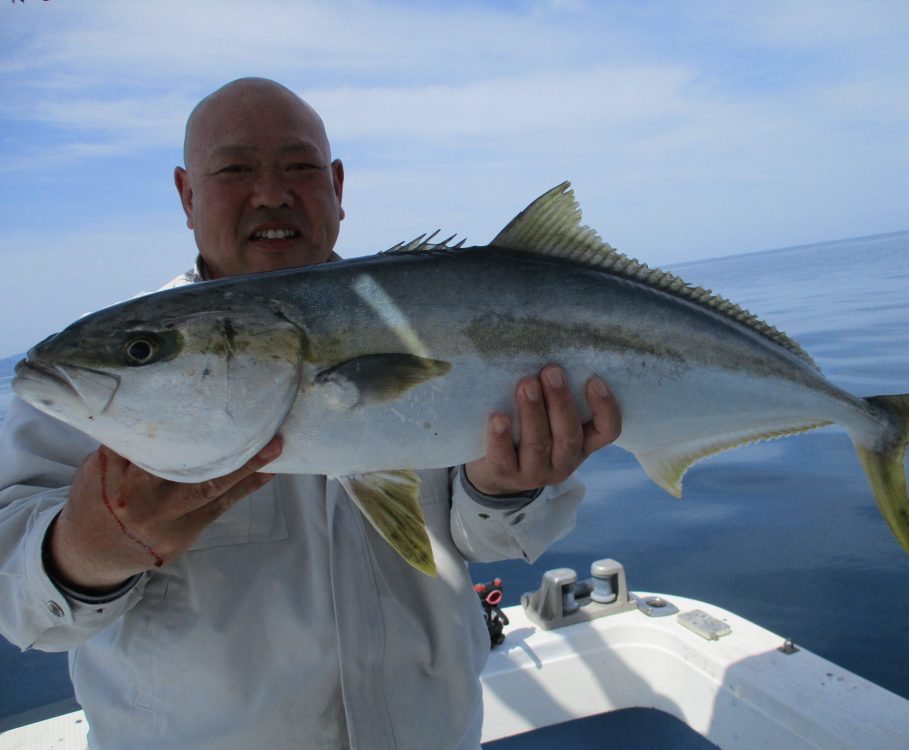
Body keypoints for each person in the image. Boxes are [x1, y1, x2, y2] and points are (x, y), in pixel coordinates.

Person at [0, 78, 622, 749]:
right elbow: (17, 603)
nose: (271, 193)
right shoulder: (115, 371)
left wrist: (507, 488)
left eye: (298, 167)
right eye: (236, 168)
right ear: (185, 194)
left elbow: (484, 540)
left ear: (338, 186)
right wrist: (81, 555)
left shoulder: (431, 314)